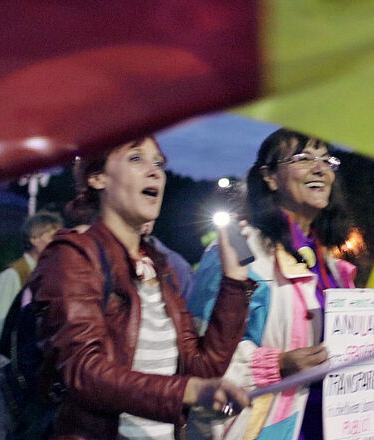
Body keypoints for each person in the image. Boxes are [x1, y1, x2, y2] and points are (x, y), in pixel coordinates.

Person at [30, 137, 256, 439]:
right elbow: (83, 371)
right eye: (136, 158)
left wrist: (235, 280)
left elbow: (203, 368)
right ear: (97, 178)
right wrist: (188, 390)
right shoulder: (73, 255)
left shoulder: (159, 266)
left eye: (159, 163)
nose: (155, 172)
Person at [188, 128, 355, 440]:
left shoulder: (332, 264)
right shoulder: (239, 247)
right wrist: (277, 364)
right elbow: (199, 354)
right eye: (303, 158)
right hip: (263, 427)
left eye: (327, 160)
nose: (320, 168)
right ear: (269, 177)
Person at [0, 211, 62, 352]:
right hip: (20, 356)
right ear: (34, 239)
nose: (57, 242)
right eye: (52, 237)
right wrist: (5, 362)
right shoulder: (13, 274)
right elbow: (2, 321)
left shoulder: (56, 270)